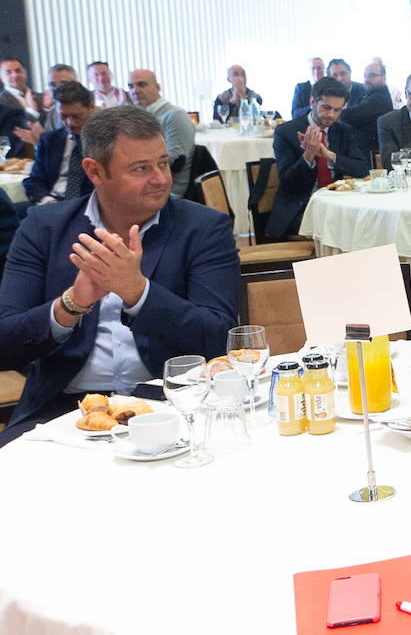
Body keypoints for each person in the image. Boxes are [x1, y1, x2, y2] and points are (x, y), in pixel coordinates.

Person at [0, 106, 239, 443]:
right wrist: (70, 305)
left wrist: (139, 293)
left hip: (172, 406)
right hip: (64, 409)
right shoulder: (43, 229)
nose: (161, 178)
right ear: (95, 171)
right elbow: (4, 343)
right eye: (141, 168)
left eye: (163, 163)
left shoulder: (202, 228)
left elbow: (220, 337)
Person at [267, 77, 369, 239]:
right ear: (313, 102)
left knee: (369, 226)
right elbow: (288, 183)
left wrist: (329, 155)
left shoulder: (343, 130)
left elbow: (362, 169)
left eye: (337, 110)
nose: (331, 115)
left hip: (337, 205)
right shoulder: (286, 131)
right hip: (301, 207)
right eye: (326, 108)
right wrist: (308, 156)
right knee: (340, 231)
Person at [125, 69, 196, 198]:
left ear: (157, 87)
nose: (135, 91)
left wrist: (133, 167)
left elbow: (176, 162)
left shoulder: (175, 116)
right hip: (146, 186)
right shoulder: (138, 117)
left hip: (170, 191)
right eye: (130, 86)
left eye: (141, 85)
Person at [24, 81, 96, 204]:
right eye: (63, 116)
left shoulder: (105, 140)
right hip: (51, 202)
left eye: (77, 116)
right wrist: (47, 201)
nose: (70, 123)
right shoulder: (49, 140)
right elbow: (34, 180)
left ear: (91, 107)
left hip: (87, 205)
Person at [338, 59, 392, 156]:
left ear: (384, 78)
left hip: (369, 157)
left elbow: (346, 116)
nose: (367, 79)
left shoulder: (379, 99)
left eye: (371, 75)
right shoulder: (369, 95)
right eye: (365, 75)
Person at [41, 65, 78, 133]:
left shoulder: (87, 110)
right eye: (52, 84)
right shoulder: (52, 114)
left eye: (63, 83)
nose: (57, 88)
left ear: (77, 84)